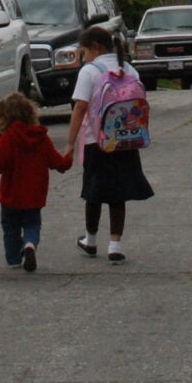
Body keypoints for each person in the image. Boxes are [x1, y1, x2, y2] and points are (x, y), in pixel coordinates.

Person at [68, 26, 154, 262]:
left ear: (95, 47)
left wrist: (70, 143)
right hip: (126, 140)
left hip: (96, 141)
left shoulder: (90, 71)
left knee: (93, 192)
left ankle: (90, 240)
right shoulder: (129, 69)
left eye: (83, 52)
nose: (82, 57)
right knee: (119, 193)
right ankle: (115, 244)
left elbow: (80, 108)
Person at [0, 90, 72, 272]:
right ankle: (29, 245)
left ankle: (13, 260)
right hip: (35, 195)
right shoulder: (41, 138)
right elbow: (58, 163)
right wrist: (68, 156)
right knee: (32, 223)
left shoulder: (8, 139)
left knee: (10, 227)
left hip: (11, 194)